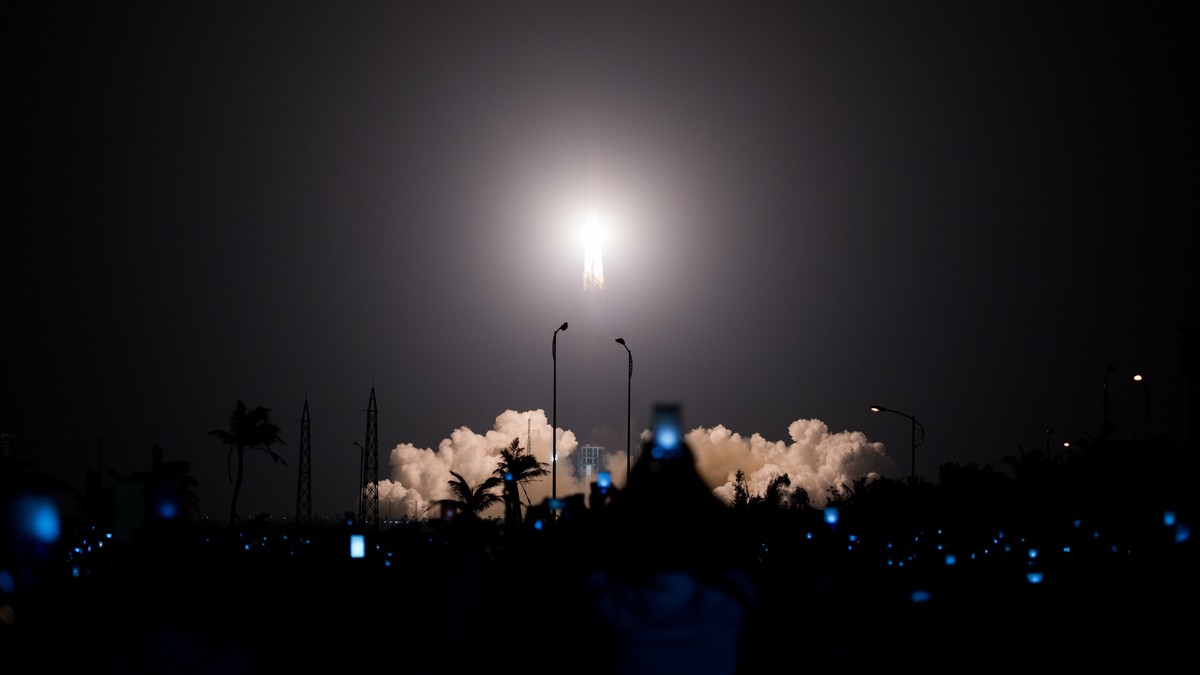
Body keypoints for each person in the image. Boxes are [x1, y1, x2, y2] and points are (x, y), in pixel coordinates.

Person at [577, 421, 756, 675]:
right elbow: (740, 548)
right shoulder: (718, 612)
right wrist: (691, 476)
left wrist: (624, 492)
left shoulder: (616, 612)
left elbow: (589, 556)